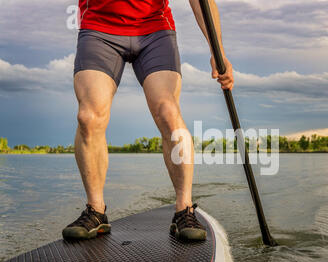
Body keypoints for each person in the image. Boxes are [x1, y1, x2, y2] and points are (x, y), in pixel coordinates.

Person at [62, 0, 234, 241]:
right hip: (99, 29)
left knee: (168, 111)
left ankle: (184, 209)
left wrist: (218, 52)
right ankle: (96, 211)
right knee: (89, 117)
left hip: (155, 30)